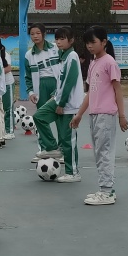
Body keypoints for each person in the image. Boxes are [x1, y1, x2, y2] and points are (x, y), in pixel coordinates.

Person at [70, 26, 128, 204]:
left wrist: (121, 115)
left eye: (93, 42)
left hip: (106, 114)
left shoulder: (110, 63)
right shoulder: (93, 62)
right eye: (87, 43)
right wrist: (79, 114)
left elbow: (118, 90)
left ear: (104, 42)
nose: (89, 46)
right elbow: (90, 93)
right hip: (95, 114)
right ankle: (105, 189)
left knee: (104, 153)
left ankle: (106, 192)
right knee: (99, 153)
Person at [32, 27, 83, 182]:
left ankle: (73, 173)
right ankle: (53, 147)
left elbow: (69, 82)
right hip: (58, 100)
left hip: (69, 104)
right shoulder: (62, 56)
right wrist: (56, 95)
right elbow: (61, 81)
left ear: (71, 40)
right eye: (57, 39)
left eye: (62, 39)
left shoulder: (72, 57)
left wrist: (61, 103)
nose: (58, 42)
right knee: (39, 116)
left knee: (68, 140)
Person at [23, 23, 61, 157]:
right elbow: (28, 76)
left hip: (56, 83)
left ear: (44, 34)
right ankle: (46, 148)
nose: (35, 36)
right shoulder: (29, 55)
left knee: (60, 117)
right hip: (40, 87)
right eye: (32, 34)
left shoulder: (55, 48)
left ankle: (62, 150)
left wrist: (60, 88)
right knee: (40, 117)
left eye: (38, 33)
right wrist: (31, 92)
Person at [2, 50, 16, 139]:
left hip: (7, 84)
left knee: (8, 108)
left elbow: (8, 68)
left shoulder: (4, 54)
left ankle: (10, 131)